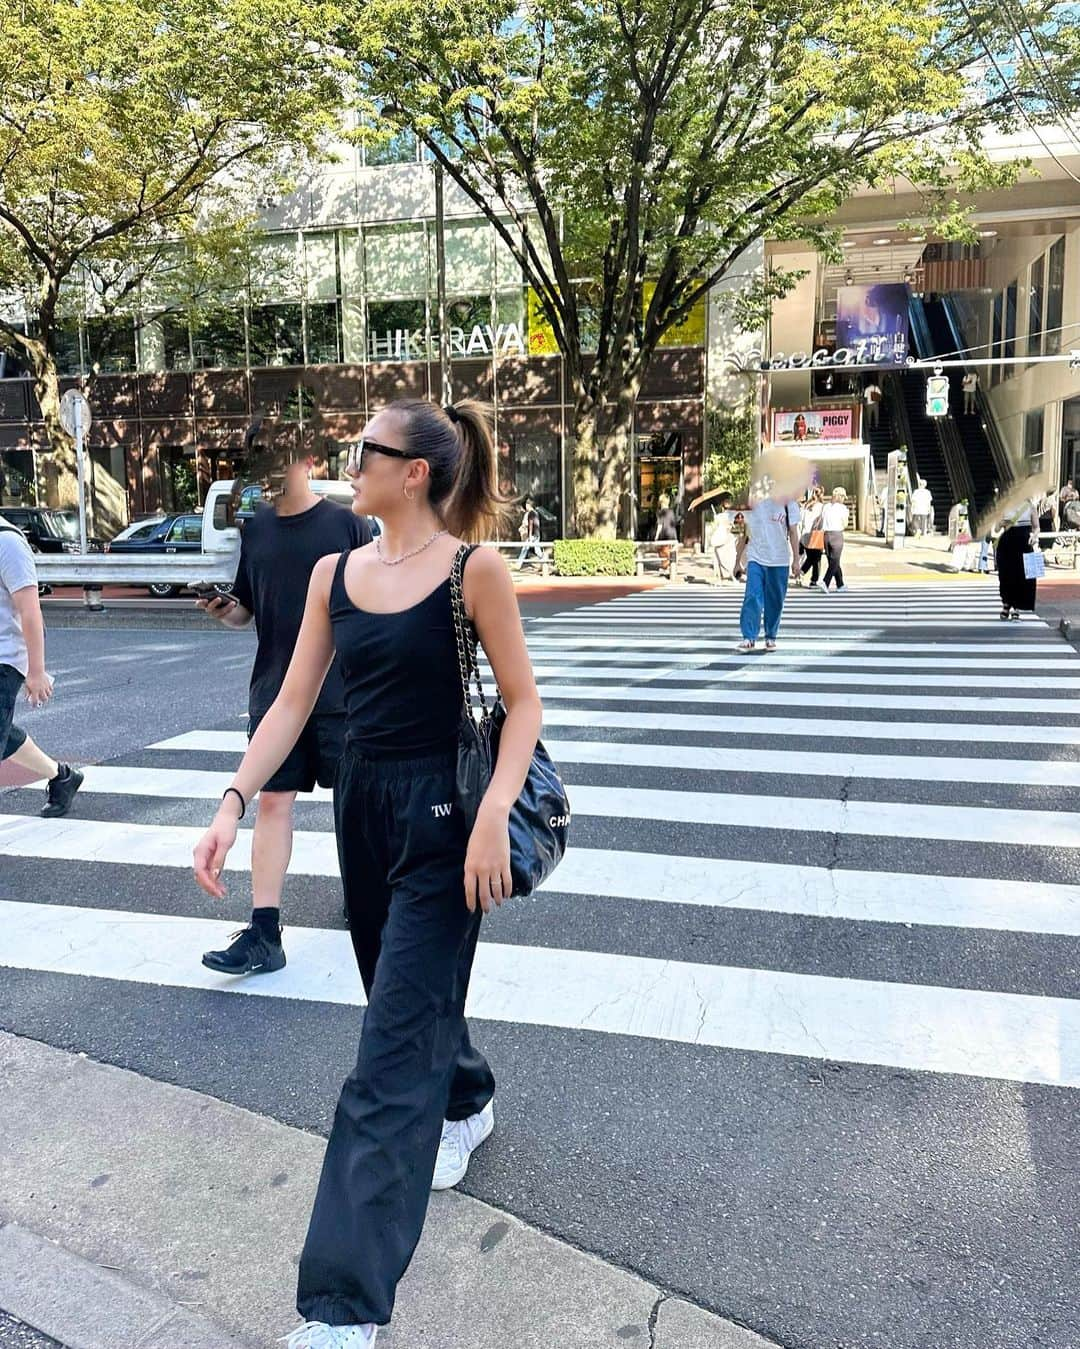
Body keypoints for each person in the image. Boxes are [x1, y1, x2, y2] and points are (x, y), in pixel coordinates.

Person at [193, 399, 540, 1349]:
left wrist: (494, 817)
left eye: (368, 453)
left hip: (445, 819)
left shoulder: (476, 570)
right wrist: (231, 802)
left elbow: (521, 706)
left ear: (416, 471)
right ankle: (466, 1094)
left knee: (386, 1058)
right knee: (404, 997)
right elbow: (293, 700)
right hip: (361, 809)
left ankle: (342, 1308)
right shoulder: (332, 574)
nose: (354, 466)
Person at [197, 456, 372, 975]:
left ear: (308, 458)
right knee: (272, 803)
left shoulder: (348, 524)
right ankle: (264, 930)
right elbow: (248, 607)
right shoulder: (255, 531)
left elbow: (371, 604)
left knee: (355, 804)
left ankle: (363, 899)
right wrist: (226, 610)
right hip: (276, 689)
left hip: (344, 692)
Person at [0, 515, 84, 816]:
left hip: (4, 660)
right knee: (4, 733)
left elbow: (30, 610)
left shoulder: (7, 542)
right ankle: (62, 777)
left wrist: (36, 671)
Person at [737, 486, 801, 652]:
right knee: (752, 596)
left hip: (779, 559)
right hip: (756, 557)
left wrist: (796, 560)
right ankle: (749, 637)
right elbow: (745, 534)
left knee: (775, 601)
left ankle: (770, 636)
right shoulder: (754, 504)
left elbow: (793, 532)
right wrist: (737, 561)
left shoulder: (789, 504)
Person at [996, 498, 1039, 620]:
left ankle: (1016, 607)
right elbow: (996, 529)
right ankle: (1006, 604)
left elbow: (1037, 527)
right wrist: (1001, 523)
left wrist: (1034, 536)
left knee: (1022, 576)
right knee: (1005, 575)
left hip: (1024, 544)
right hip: (1006, 544)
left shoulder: (1030, 506)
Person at [820, 487, 850, 591]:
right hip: (837, 535)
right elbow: (845, 524)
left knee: (832, 561)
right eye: (843, 497)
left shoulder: (826, 507)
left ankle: (840, 584)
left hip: (826, 536)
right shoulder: (843, 508)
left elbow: (822, 519)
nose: (844, 500)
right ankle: (825, 582)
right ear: (840, 497)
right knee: (835, 562)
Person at [799, 486, 825, 588]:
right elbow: (822, 522)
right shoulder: (822, 507)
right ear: (821, 494)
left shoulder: (806, 506)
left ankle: (802, 573)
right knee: (816, 560)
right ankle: (813, 580)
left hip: (805, 536)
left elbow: (801, 521)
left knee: (811, 558)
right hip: (816, 536)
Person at [709, 493, 737, 581]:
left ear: (722, 507)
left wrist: (716, 518)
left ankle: (720, 575)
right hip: (729, 539)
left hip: (720, 539)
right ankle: (731, 575)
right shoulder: (732, 516)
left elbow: (715, 527)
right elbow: (734, 527)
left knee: (720, 556)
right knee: (730, 557)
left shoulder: (719, 516)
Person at [654, 492, 679, 577]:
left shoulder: (661, 513)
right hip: (672, 534)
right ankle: (669, 566)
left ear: (661, 503)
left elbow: (660, 525)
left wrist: (656, 536)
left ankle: (665, 567)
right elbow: (674, 523)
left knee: (662, 551)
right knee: (670, 551)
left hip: (664, 534)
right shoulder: (672, 512)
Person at [515, 496, 543, 569]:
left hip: (533, 535)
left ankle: (518, 565)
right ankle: (544, 561)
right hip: (536, 534)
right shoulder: (536, 513)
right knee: (537, 550)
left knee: (525, 549)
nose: (525, 507)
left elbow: (531, 525)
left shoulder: (531, 513)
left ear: (528, 505)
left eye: (526, 505)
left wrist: (530, 535)